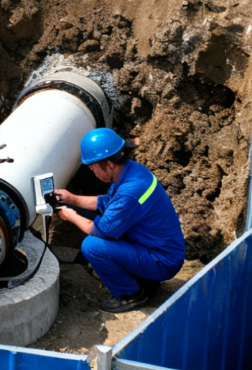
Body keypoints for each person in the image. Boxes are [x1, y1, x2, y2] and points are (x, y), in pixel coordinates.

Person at [48, 129, 187, 313]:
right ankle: (142, 279)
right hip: (157, 247)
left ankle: (130, 294)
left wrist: (69, 215)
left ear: (109, 165)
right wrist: (71, 199)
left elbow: (99, 231)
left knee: (92, 246)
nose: (90, 169)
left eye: (93, 165)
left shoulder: (130, 192)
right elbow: (106, 202)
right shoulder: (132, 172)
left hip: (161, 261)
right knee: (90, 215)